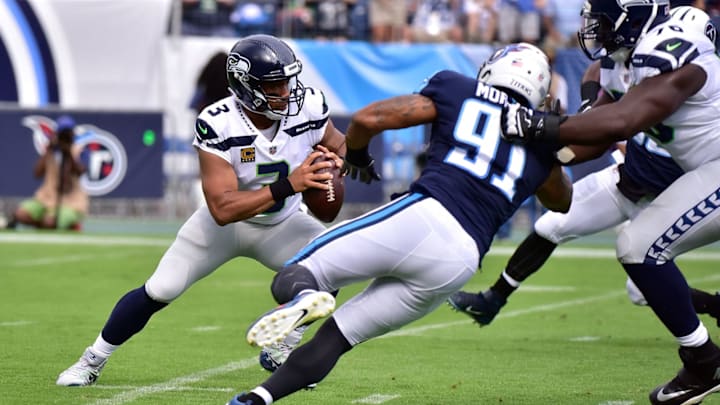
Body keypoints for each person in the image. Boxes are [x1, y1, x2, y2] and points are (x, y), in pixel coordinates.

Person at [226, 42, 573, 405]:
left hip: (425, 216)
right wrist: (551, 141)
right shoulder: (541, 142)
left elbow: (367, 120)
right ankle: (258, 399)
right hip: (461, 261)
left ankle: (305, 296)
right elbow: (561, 200)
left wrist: (357, 155)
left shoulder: (458, 87)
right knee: (338, 337)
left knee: (299, 271)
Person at [56, 34, 347, 387]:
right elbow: (223, 209)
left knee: (335, 263)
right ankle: (92, 360)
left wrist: (339, 162)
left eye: (287, 81)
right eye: (275, 85)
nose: (287, 92)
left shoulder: (308, 106)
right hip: (224, 227)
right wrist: (291, 184)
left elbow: (337, 143)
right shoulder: (218, 121)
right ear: (246, 85)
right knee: (160, 289)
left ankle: (284, 344)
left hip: (283, 224)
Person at [500, 1, 720, 403]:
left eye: (599, 21)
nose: (592, 30)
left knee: (639, 246)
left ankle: (704, 363)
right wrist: (548, 151)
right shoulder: (626, 59)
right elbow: (597, 133)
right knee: (637, 248)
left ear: (630, 16)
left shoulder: (668, 49)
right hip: (706, 172)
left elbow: (623, 121)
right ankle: (704, 360)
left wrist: (541, 126)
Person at [8, 115, 88, 231]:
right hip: (46, 198)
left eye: (67, 133)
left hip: (71, 201)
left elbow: (78, 173)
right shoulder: (51, 150)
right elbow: (37, 173)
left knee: (49, 222)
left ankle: (64, 223)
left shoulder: (79, 150)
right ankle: (50, 223)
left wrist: (68, 153)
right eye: (62, 133)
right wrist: (49, 149)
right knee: (20, 214)